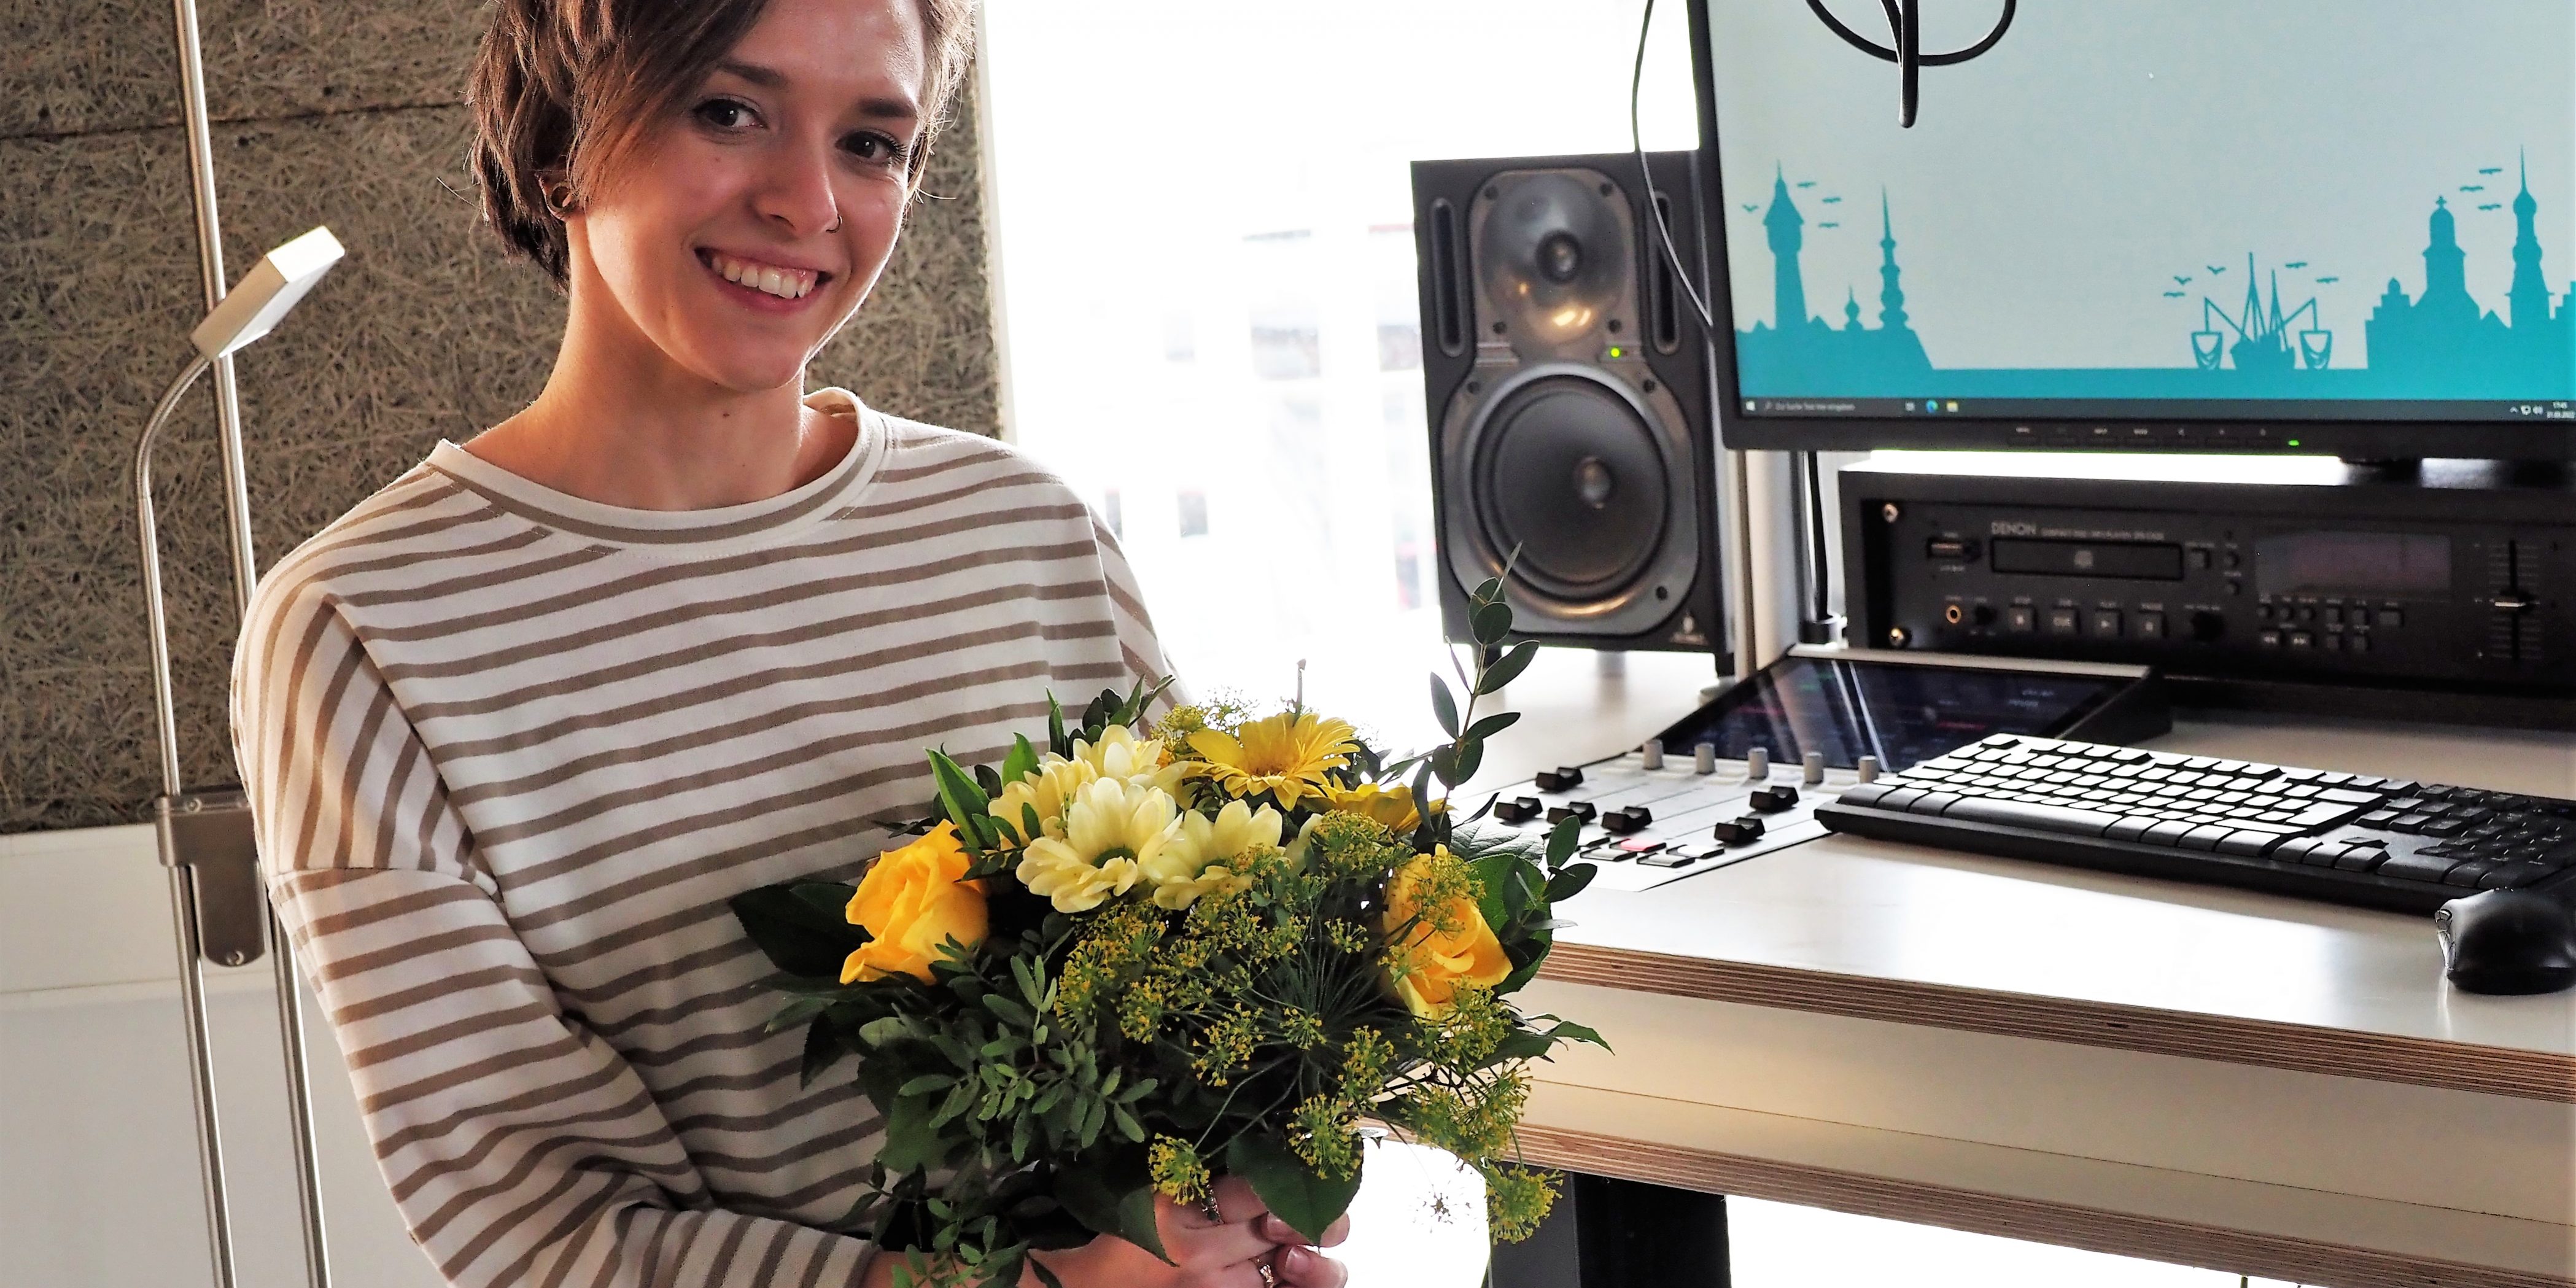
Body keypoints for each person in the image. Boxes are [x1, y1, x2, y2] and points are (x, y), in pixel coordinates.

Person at [229, 1, 1350, 1285]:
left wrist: (1241, 1204)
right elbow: (542, 1228)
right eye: (727, 111)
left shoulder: (1024, 529)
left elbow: (1212, 984)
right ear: (558, 142)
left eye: (871, 143)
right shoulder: (365, 628)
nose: (808, 202)